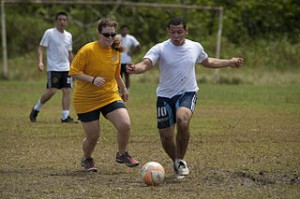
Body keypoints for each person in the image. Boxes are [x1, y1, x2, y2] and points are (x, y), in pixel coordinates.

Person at [127, 17, 243, 179]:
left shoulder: (195, 47)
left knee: (182, 119)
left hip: (187, 93)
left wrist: (229, 62)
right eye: (173, 32)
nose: (176, 35)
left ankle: (180, 161)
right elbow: (146, 64)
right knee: (166, 137)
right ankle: (176, 160)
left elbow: (207, 61)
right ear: (168, 31)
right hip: (165, 96)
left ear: (186, 31)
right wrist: (135, 68)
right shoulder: (160, 48)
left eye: (179, 32)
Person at [69, 18, 139, 172]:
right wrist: (92, 79)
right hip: (86, 99)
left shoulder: (116, 50)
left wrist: (124, 89)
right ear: (99, 33)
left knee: (125, 124)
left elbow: (116, 74)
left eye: (113, 34)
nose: (110, 38)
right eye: (106, 34)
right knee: (93, 136)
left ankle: (122, 154)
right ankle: (87, 158)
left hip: (109, 95)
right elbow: (73, 72)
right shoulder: (88, 50)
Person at [29, 11, 75, 123]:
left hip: (66, 68)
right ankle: (36, 108)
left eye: (64, 20)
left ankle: (65, 116)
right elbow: (41, 48)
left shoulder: (69, 35)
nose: (62, 22)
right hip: (54, 68)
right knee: (52, 91)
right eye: (60, 19)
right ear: (56, 21)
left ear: (67, 22)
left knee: (67, 91)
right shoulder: (49, 33)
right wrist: (40, 62)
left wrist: (73, 66)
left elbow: (69, 53)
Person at [116, 25, 140, 91]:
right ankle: (119, 89)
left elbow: (138, 45)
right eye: (123, 30)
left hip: (127, 60)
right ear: (121, 30)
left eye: (126, 30)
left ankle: (127, 89)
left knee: (127, 75)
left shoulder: (130, 38)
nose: (124, 31)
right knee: (118, 76)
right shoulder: (117, 37)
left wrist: (132, 52)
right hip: (118, 60)